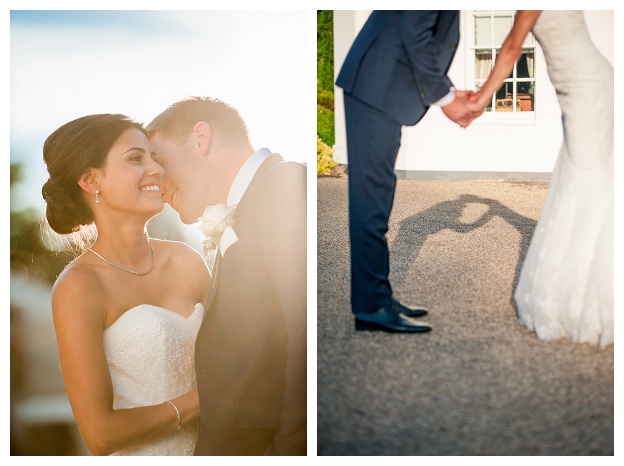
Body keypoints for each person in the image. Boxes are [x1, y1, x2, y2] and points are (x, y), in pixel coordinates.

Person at [42, 114, 211, 455]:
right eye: (136, 158)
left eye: (153, 157)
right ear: (91, 180)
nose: (157, 169)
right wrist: (207, 398)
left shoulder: (187, 260)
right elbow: (100, 436)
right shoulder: (78, 287)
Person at [147, 97, 307, 455]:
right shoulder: (252, 201)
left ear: (200, 138)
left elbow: (306, 327)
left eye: (157, 158)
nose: (154, 179)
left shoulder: (283, 185)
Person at [467, 11, 613, 347]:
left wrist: (481, 99)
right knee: (588, 179)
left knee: (586, 182)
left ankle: (588, 299)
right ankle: (586, 285)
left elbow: (511, 47)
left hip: (586, 90)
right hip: (588, 85)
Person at [335, 11, 481, 333]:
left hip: (380, 84)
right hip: (376, 84)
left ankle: (377, 297)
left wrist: (449, 91)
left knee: (378, 193)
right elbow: (414, 32)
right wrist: (445, 99)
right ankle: (371, 307)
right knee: (371, 198)